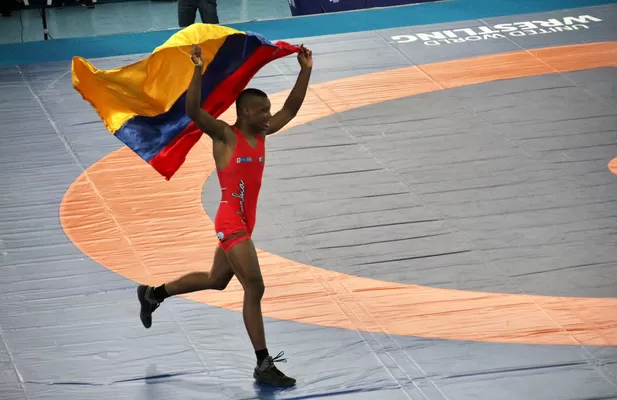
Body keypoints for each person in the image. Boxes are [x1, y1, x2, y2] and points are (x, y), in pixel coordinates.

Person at [137, 43, 312, 387]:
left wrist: (304, 70)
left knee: (218, 280)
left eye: (268, 110)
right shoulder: (225, 136)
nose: (268, 115)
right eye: (262, 111)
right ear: (245, 113)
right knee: (255, 286)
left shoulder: (262, 132)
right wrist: (198, 69)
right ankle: (263, 363)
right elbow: (193, 111)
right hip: (231, 221)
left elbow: (291, 109)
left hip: (244, 222)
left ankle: (154, 293)